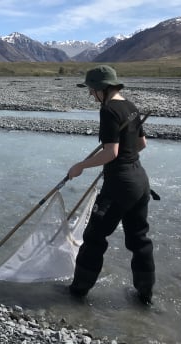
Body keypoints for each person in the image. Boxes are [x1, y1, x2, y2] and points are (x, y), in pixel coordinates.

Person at [67, 65, 155, 304]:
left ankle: (77, 292)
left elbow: (111, 153)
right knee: (139, 239)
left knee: (94, 237)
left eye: (91, 90)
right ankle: (145, 296)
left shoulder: (109, 110)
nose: (90, 95)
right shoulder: (130, 106)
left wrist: (81, 166)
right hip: (140, 181)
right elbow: (142, 144)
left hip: (119, 185)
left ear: (102, 89)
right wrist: (122, 157)